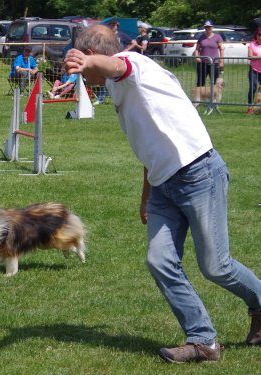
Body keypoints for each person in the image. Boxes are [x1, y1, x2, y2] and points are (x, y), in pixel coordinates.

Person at [64, 24, 261, 364]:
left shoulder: (133, 64)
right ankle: (204, 341)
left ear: (96, 56)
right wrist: (146, 195)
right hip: (162, 185)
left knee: (216, 266)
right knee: (159, 261)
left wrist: (86, 60)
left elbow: (116, 65)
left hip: (199, 173)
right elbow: (149, 144)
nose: (84, 78)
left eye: (87, 66)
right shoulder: (117, 85)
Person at [194, 20, 224, 88]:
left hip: (214, 63)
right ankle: (199, 97)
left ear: (212, 27)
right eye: (206, 27)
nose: (208, 29)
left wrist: (221, 61)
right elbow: (197, 49)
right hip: (202, 63)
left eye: (209, 27)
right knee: (200, 82)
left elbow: (221, 49)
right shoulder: (201, 37)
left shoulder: (217, 37)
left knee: (214, 83)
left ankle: (213, 98)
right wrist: (197, 57)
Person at [247, 29, 261, 114]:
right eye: (259, 35)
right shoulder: (252, 45)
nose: (260, 36)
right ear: (256, 35)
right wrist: (259, 57)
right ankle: (250, 107)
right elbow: (249, 56)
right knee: (253, 88)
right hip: (254, 70)